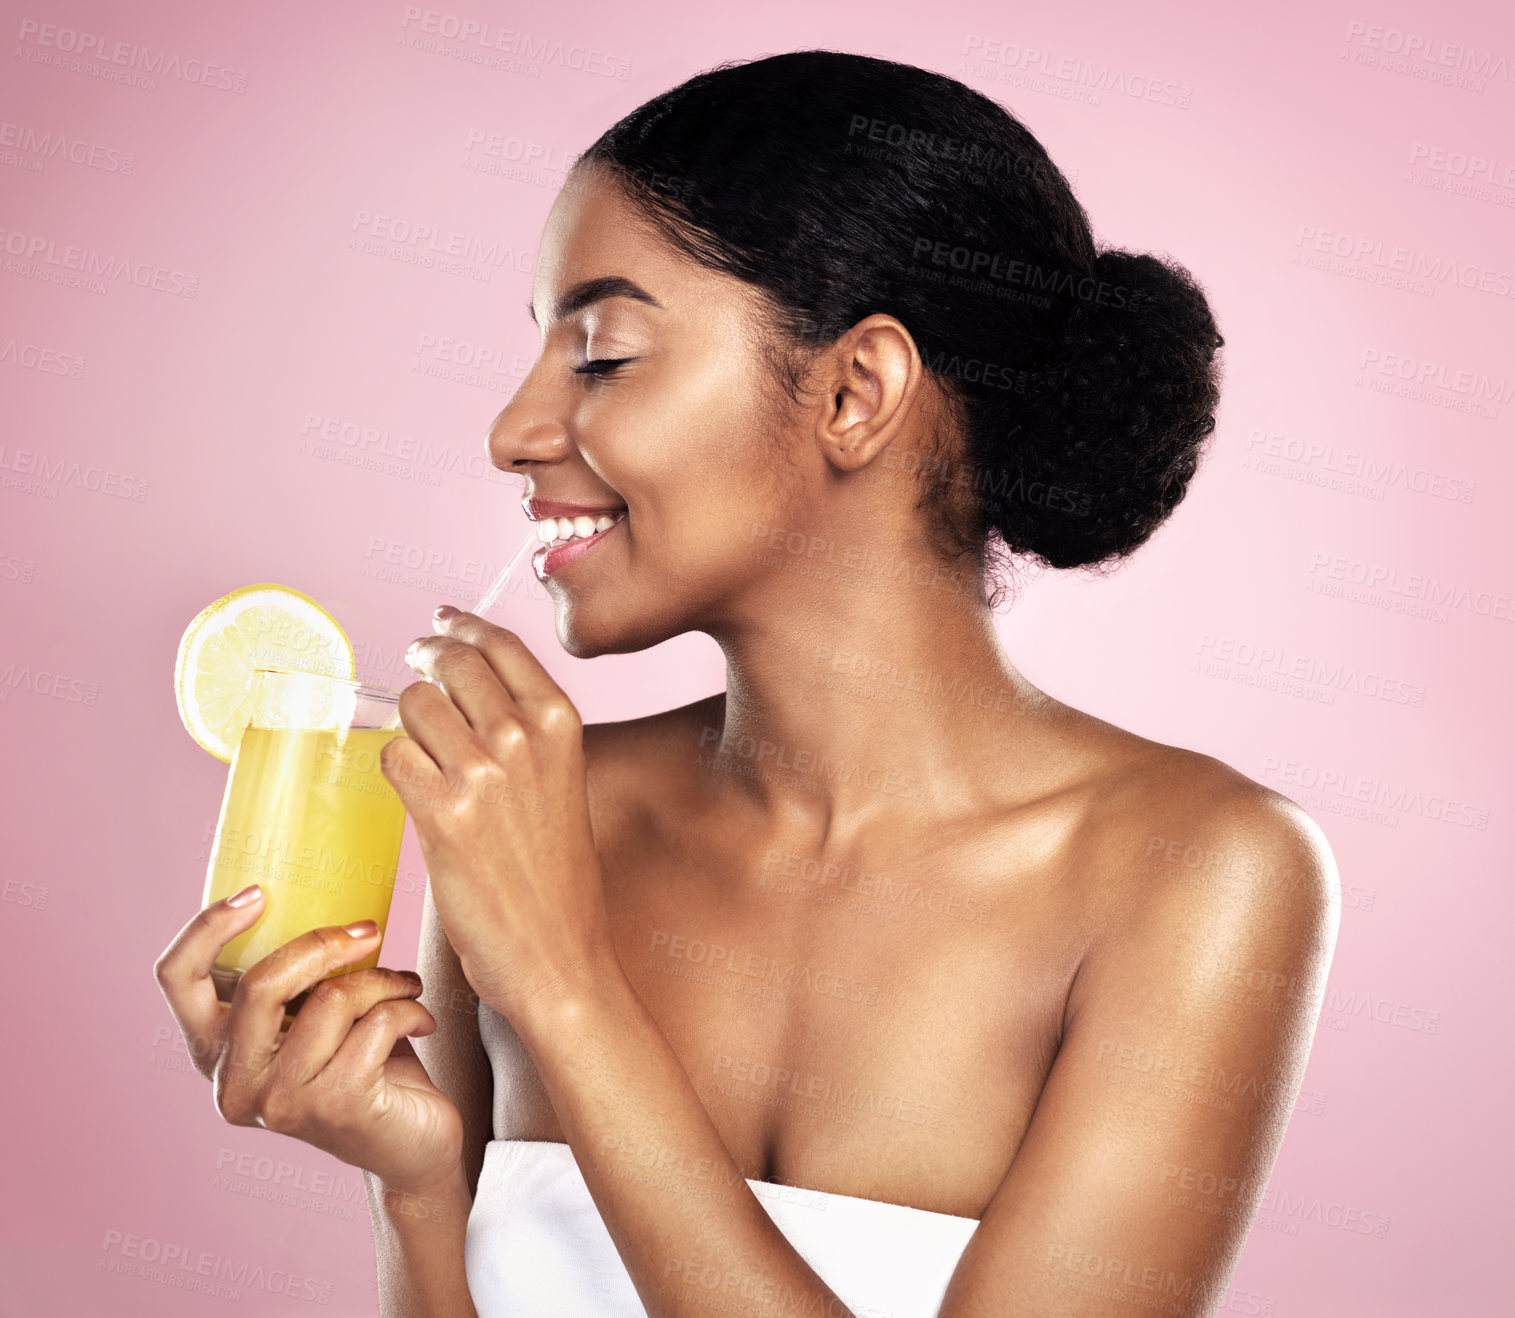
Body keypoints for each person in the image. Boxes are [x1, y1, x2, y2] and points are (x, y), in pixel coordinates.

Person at [154, 50, 1339, 1318]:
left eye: (601, 355)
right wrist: (419, 1185)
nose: (514, 430)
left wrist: (568, 990)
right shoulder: (547, 810)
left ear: (855, 390)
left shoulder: (1202, 873)